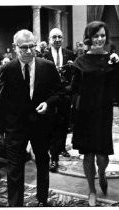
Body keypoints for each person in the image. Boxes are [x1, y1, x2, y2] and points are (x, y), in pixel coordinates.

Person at [0, 29, 61, 207]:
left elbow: (59, 93)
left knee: (42, 162)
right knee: (14, 168)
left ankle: (42, 199)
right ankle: (15, 204)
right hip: (16, 126)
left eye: (32, 46)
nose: (30, 51)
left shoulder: (47, 66)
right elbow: (3, 101)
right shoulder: (7, 70)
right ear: (15, 48)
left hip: (40, 124)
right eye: (24, 48)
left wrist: (48, 103)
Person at [70, 21, 119, 206]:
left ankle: (102, 173)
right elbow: (74, 89)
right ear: (89, 37)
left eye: (103, 35)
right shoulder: (80, 61)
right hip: (85, 114)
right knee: (88, 154)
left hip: (103, 113)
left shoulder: (113, 60)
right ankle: (92, 189)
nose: (100, 39)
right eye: (96, 36)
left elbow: (118, 89)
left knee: (102, 156)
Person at [44, 28, 76, 172]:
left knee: (64, 124)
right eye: (54, 37)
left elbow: (75, 76)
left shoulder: (70, 54)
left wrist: (70, 89)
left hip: (65, 96)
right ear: (50, 39)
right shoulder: (44, 56)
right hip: (50, 97)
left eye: (60, 37)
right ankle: (53, 157)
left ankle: (62, 147)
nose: (57, 40)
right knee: (52, 125)